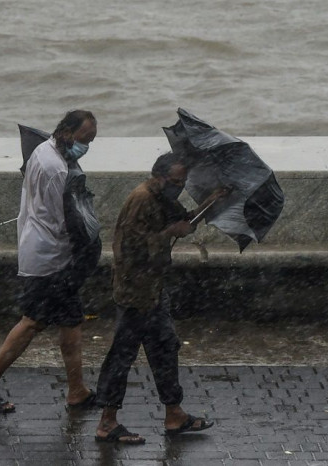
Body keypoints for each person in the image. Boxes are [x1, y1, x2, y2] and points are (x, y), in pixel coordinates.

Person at [0, 110, 101, 413]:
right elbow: (64, 220)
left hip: (46, 252)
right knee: (32, 322)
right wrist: (85, 246)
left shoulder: (42, 150)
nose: (88, 145)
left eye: (92, 139)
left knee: (69, 322)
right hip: (50, 258)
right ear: (67, 132)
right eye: (85, 139)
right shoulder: (57, 170)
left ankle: (77, 390)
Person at [94, 152, 228, 444]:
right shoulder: (141, 199)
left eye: (182, 182)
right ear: (159, 175)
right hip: (135, 291)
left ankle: (174, 414)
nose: (179, 186)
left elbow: (184, 220)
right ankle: (107, 422)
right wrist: (169, 232)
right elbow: (131, 247)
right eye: (175, 181)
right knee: (122, 355)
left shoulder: (162, 197)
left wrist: (210, 202)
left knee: (165, 347)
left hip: (154, 289)